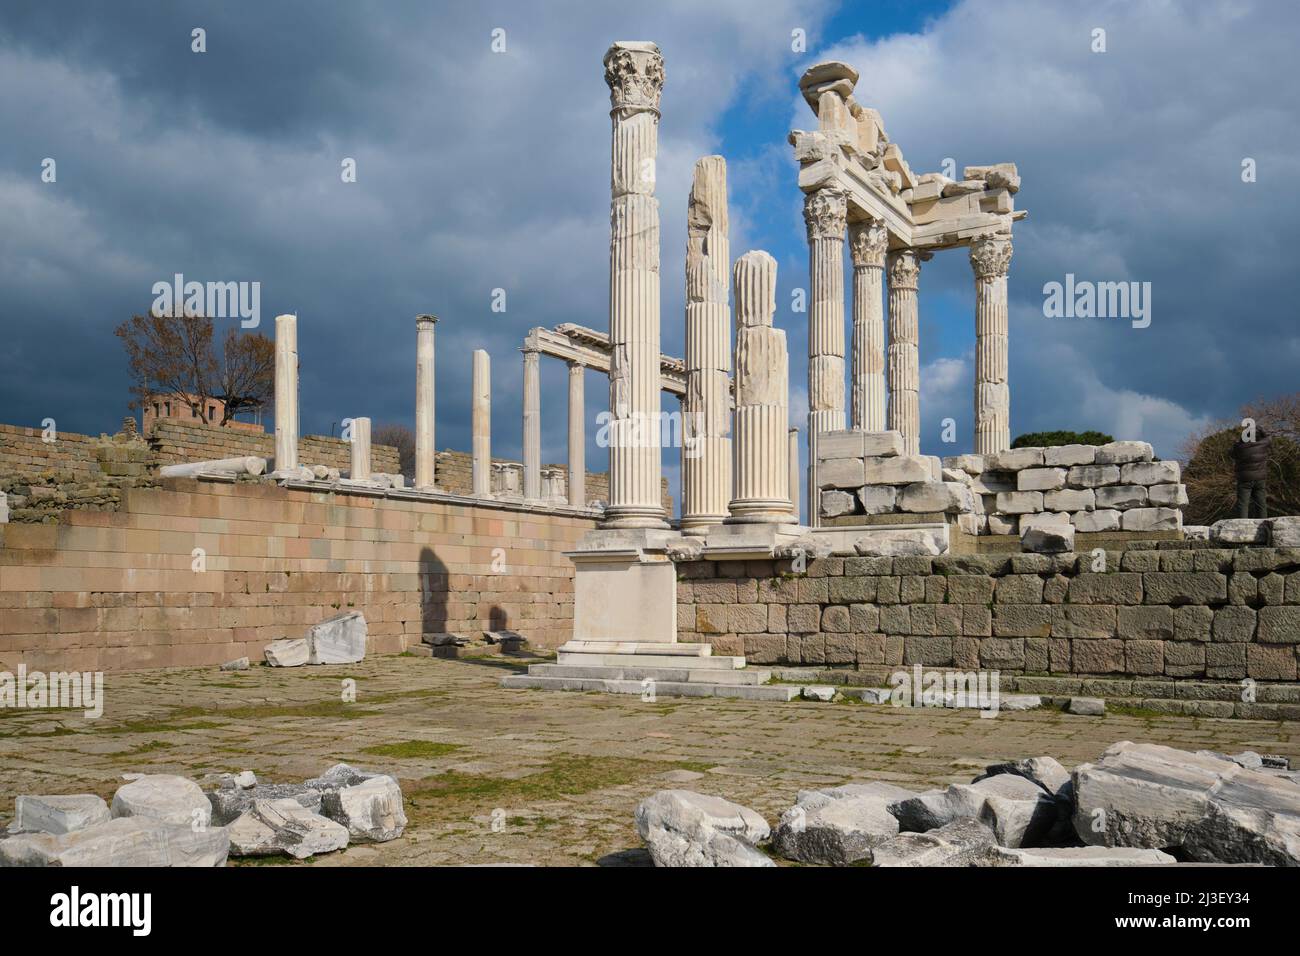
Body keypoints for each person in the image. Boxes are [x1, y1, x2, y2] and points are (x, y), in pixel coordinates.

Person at [1231, 427, 1271, 519]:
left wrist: (1241, 440)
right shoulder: (1264, 443)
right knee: (1261, 503)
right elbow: (1268, 438)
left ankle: (1243, 525)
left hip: (1244, 479)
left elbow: (1231, 454)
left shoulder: (1239, 447)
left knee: (1243, 503)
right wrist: (1261, 429)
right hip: (1260, 478)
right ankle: (1263, 523)